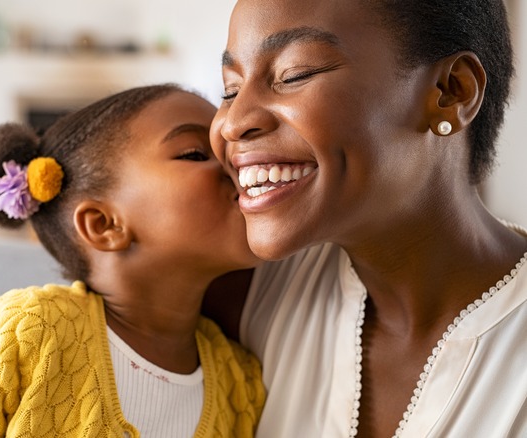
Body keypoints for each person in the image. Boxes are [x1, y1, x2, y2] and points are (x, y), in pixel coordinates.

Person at [204, 0, 527, 437]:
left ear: (451, 92)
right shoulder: (247, 294)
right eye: (230, 90)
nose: (232, 123)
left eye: (294, 74)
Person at [0, 84, 265, 438]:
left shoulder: (240, 383)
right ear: (104, 225)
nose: (238, 164)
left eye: (229, 151)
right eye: (195, 154)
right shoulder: (30, 331)